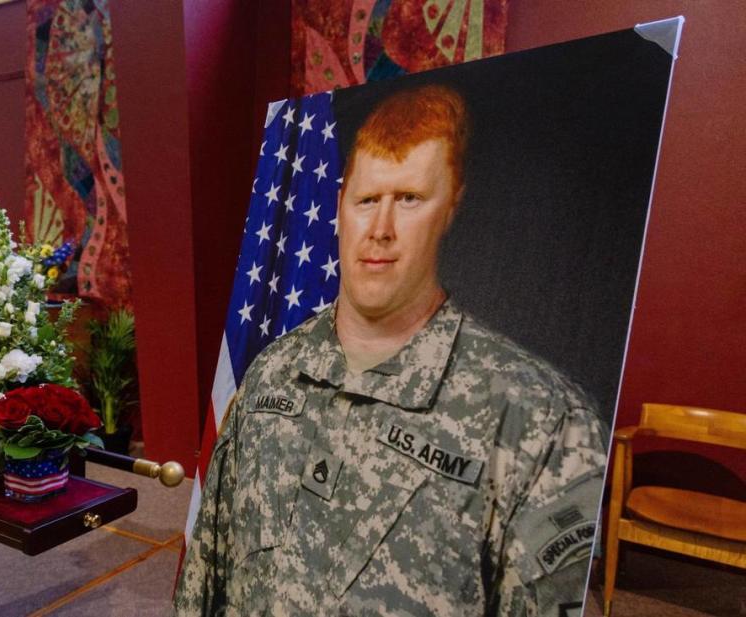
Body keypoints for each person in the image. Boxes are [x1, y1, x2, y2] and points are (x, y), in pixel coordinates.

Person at [174, 84, 609, 616]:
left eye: (408, 199)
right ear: (340, 208)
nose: (379, 230)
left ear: (451, 206)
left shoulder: (542, 422)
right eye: (366, 200)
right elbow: (208, 570)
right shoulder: (273, 372)